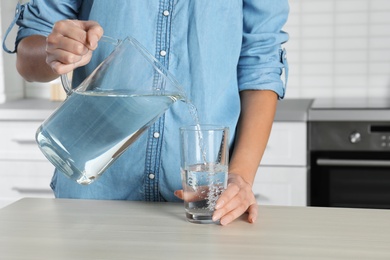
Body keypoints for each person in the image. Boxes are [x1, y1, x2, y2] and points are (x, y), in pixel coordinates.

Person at [3, 1, 289, 226]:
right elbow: (29, 56)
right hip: (91, 199)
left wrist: (240, 176)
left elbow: (261, 64)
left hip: (205, 206)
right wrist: (54, 51)